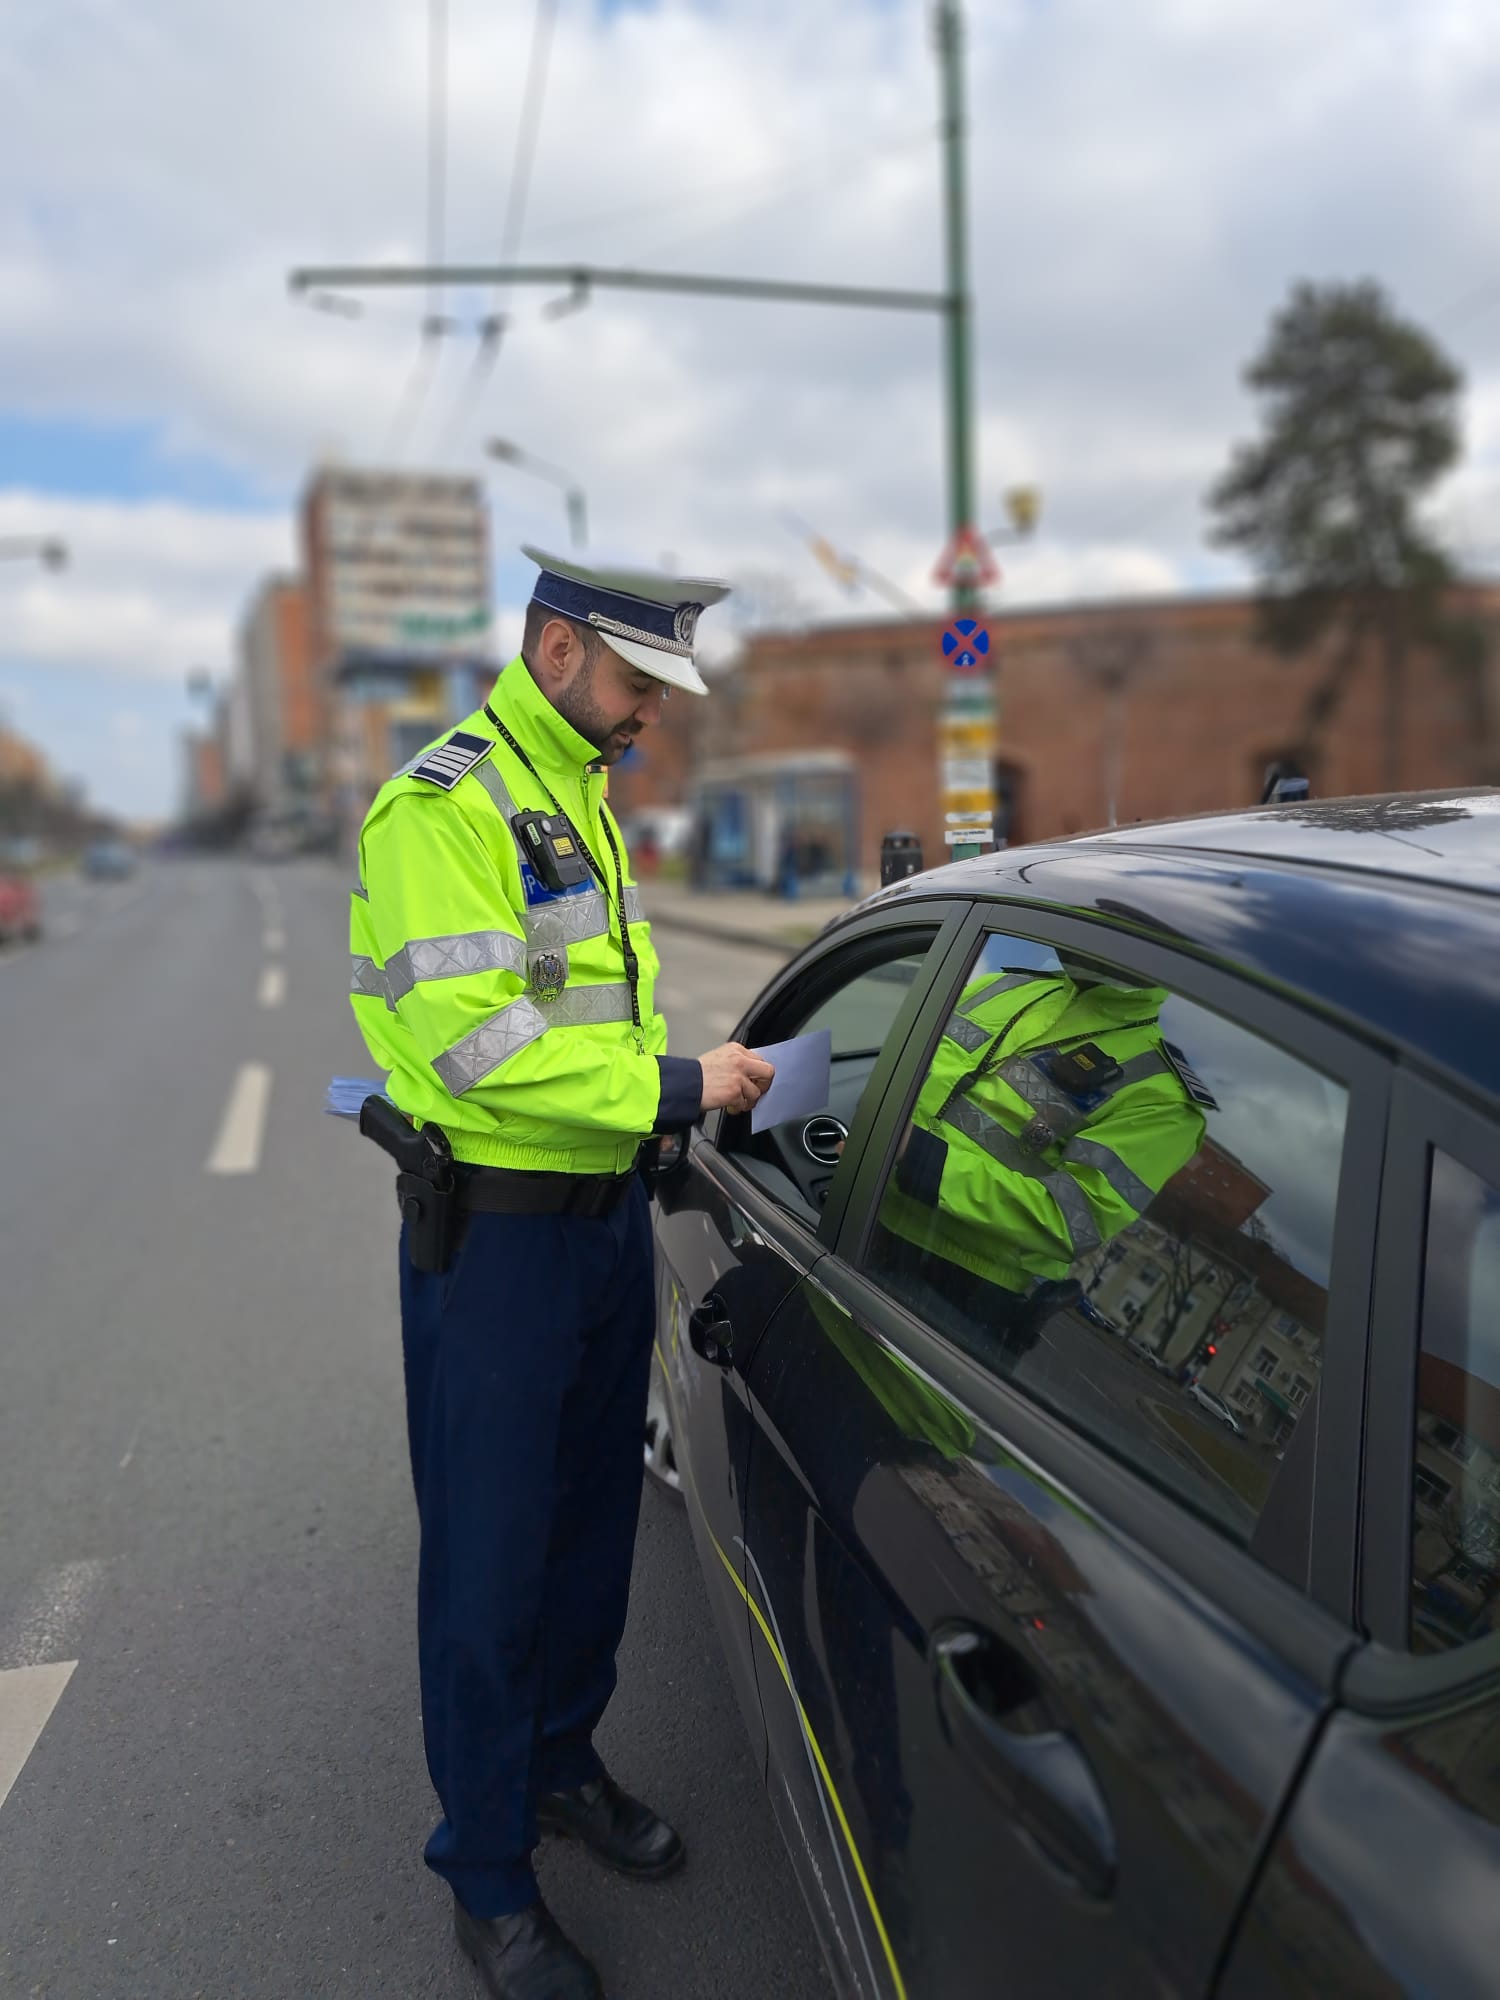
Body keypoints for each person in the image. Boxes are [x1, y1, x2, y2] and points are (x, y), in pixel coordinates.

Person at [348, 547, 775, 2000]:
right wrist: (677, 1083)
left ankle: (558, 1766)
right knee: (490, 1562)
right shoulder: (441, 808)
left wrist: (684, 1096)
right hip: (499, 1245)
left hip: (598, 1223)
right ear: (555, 654)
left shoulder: (579, 798)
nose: (654, 710)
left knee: (593, 1529)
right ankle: (484, 1870)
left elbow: (594, 1011)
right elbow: (481, 1048)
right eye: (641, 680)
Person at [874, 962, 1207, 1359]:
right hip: (861, 1217)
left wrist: (917, 1156)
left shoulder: (1162, 1095)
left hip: (955, 1299)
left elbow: (1073, 1218)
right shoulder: (1004, 985)